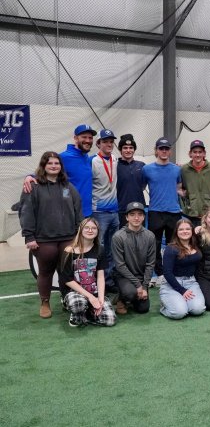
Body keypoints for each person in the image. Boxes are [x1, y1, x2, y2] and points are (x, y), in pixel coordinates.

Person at [20, 151, 82, 318]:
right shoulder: (32, 187)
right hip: (43, 239)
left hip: (68, 237)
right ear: (44, 166)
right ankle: (45, 302)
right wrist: (29, 236)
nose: (54, 166)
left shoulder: (68, 187)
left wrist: (79, 234)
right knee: (45, 272)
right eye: (50, 163)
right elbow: (26, 213)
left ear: (61, 166)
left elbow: (78, 211)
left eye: (57, 163)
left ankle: (66, 298)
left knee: (66, 272)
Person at [58, 218, 117, 327]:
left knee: (110, 320)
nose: (90, 230)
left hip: (93, 291)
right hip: (75, 292)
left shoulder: (100, 250)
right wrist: (90, 297)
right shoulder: (69, 251)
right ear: (80, 230)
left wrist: (100, 298)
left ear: (98, 231)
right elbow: (67, 279)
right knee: (78, 304)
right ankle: (76, 311)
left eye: (94, 228)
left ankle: (86, 314)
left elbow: (100, 277)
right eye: (87, 228)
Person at [143, 137, 183, 286]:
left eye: (166, 149)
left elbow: (179, 187)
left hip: (173, 212)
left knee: (175, 245)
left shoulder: (176, 169)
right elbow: (140, 186)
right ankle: (158, 274)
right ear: (156, 151)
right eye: (161, 148)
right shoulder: (147, 169)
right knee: (155, 245)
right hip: (155, 212)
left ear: (170, 151)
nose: (164, 151)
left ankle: (173, 272)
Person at [111, 202, 155, 314]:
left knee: (143, 309)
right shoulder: (118, 237)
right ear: (126, 217)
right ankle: (123, 297)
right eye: (132, 214)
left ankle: (129, 296)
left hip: (141, 277)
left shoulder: (150, 236)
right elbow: (120, 266)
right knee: (130, 293)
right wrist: (138, 285)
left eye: (140, 214)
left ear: (144, 217)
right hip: (123, 276)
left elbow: (150, 263)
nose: (136, 217)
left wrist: (144, 286)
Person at [159, 219, 206, 319]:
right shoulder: (171, 249)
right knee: (179, 313)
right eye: (181, 229)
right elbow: (167, 273)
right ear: (176, 232)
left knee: (198, 310)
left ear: (192, 230)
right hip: (172, 284)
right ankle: (164, 307)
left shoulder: (195, 245)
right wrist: (182, 291)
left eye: (188, 229)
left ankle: (182, 302)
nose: (185, 231)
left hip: (191, 282)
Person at [91, 129, 120, 286]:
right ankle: (95, 281)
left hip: (114, 212)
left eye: (111, 141)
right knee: (99, 249)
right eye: (105, 141)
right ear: (98, 143)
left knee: (112, 248)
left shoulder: (115, 159)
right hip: (99, 213)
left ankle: (109, 282)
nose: (109, 144)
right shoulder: (93, 161)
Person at [181, 139, 210, 227]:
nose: (197, 155)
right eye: (195, 152)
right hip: (191, 213)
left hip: (209, 213)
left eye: (200, 152)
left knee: (208, 239)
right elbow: (180, 186)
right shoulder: (184, 170)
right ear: (190, 154)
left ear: (204, 153)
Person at [116, 134, 146, 228]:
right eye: (125, 148)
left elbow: (143, 185)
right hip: (121, 209)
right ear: (120, 150)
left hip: (139, 209)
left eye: (131, 147)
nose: (128, 150)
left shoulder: (141, 165)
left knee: (140, 237)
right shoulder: (114, 165)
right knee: (122, 238)